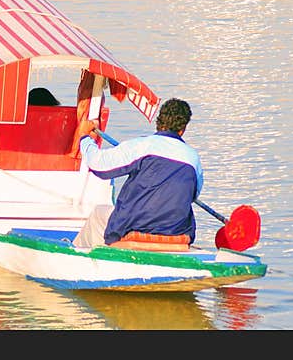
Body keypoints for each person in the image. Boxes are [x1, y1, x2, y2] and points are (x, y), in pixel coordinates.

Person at [71, 98, 204, 248]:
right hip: (176, 231)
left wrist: (85, 138)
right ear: (183, 129)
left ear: (158, 123)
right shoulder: (193, 158)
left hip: (134, 226)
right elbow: (193, 195)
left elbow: (98, 165)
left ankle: (78, 254)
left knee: (98, 213)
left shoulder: (141, 146)